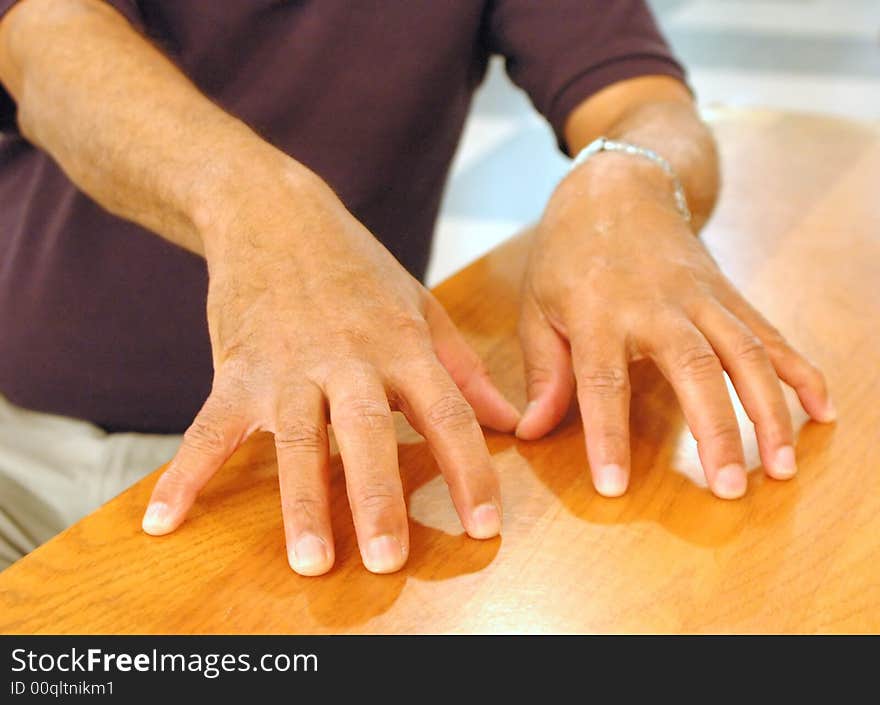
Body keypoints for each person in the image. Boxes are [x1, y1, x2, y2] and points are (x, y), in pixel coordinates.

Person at [0, 0, 834, 576]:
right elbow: (46, 48)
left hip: (319, 458)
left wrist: (632, 176)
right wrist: (256, 200)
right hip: (19, 450)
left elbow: (648, 100)